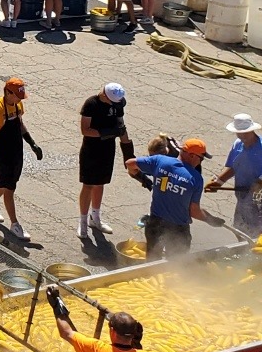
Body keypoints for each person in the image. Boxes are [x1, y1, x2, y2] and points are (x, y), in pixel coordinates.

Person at [124, 138, 223, 258]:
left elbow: (130, 163)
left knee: (152, 262)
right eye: (201, 158)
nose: (200, 162)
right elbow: (194, 211)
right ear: (191, 156)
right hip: (178, 230)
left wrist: (140, 177)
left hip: (156, 223)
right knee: (175, 265)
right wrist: (210, 219)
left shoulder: (160, 161)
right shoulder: (195, 178)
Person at [203, 114, 262, 239]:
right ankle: (244, 250)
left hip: (261, 200)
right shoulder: (238, 144)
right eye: (239, 133)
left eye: (245, 133)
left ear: (252, 130)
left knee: (261, 232)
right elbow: (234, 166)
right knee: (240, 228)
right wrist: (219, 181)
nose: (242, 136)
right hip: (243, 196)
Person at [0, 79, 41, 241]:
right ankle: (15, 224)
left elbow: (21, 125)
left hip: (17, 149)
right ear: (7, 92)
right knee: (9, 189)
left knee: (5, 182)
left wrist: (32, 143)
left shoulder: (18, 105)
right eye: (17, 96)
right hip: (2, 151)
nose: (20, 100)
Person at [77, 83, 134, 243]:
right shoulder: (91, 104)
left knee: (100, 183)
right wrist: (107, 132)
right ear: (104, 95)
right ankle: (82, 221)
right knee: (88, 185)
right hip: (91, 149)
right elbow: (85, 130)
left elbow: (121, 126)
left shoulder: (117, 104)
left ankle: (95, 217)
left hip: (107, 149)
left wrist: (128, 154)